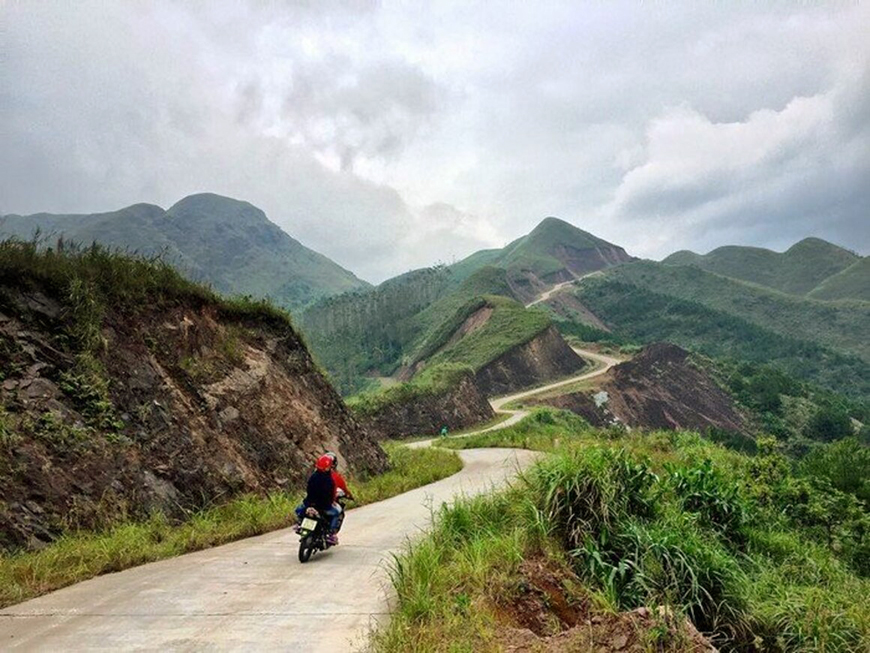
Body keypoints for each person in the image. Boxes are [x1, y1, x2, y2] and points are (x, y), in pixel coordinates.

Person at [295, 454, 342, 545]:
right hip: (324, 506)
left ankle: (299, 524)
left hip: (309, 503)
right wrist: (332, 501)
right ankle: (331, 534)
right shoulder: (329, 480)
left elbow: (308, 489)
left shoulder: (312, 477)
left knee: (299, 510)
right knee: (336, 513)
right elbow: (331, 494)